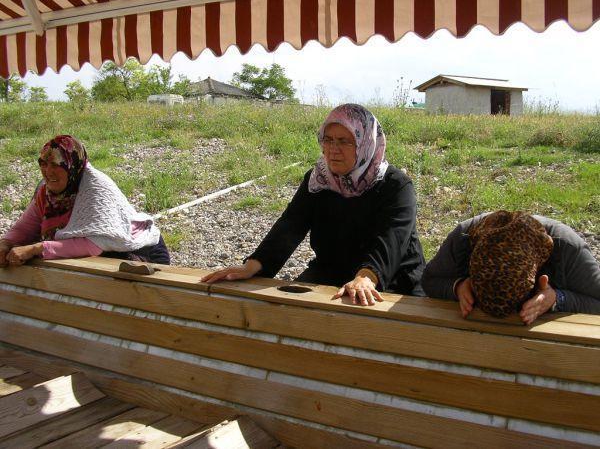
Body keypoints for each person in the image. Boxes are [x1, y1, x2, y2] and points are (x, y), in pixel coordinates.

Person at [202, 104, 426, 305]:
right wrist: (253, 266)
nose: (333, 149)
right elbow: (291, 224)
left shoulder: (395, 185)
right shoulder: (319, 180)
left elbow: (392, 237)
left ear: (365, 143)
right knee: (284, 310)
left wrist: (366, 277)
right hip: (332, 271)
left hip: (393, 278)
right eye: (328, 140)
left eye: (345, 141)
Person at [0, 135, 169, 267]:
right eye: (43, 163)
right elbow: (25, 227)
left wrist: (37, 248)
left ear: (71, 166)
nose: (47, 171)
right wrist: (6, 244)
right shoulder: (47, 193)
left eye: (55, 165)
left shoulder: (96, 188)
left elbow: (95, 244)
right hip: (101, 252)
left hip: (140, 251)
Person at [422, 210, 600, 324]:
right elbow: (429, 280)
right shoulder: (463, 237)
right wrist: (458, 286)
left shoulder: (568, 249)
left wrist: (557, 299)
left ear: (539, 274)